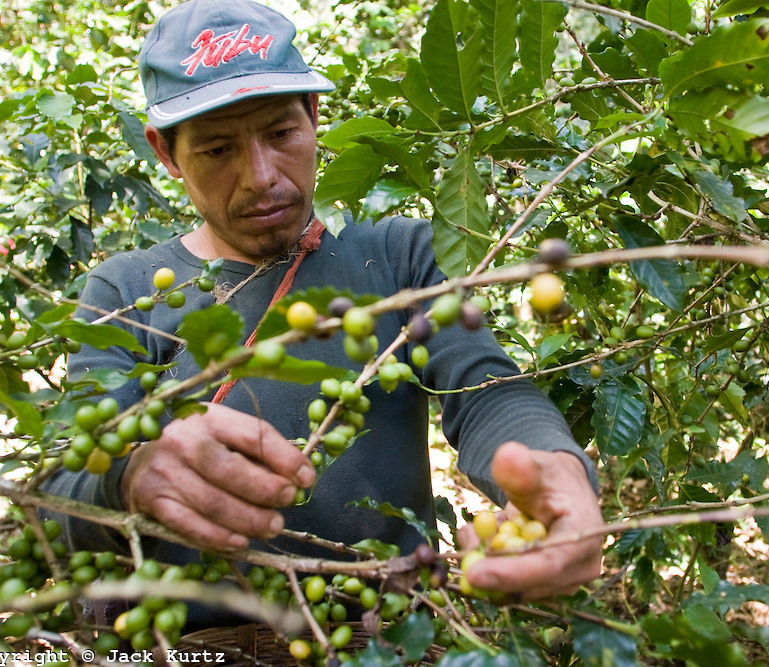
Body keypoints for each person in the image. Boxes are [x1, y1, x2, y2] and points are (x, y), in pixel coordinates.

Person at [44, 0, 603, 627]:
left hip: (384, 635)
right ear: (167, 154)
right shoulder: (127, 292)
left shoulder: (399, 255)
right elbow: (61, 492)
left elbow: (484, 386)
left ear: (313, 117)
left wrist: (554, 471)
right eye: (218, 150)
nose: (259, 177)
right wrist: (127, 475)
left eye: (281, 135)